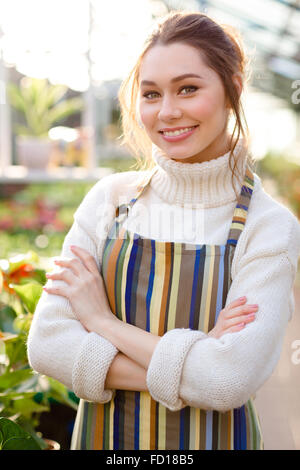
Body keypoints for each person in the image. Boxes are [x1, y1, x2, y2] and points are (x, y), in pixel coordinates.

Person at [27, 11, 300, 450]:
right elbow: (47, 345)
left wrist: (101, 322)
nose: (167, 112)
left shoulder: (268, 227)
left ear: (233, 88)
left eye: (188, 88)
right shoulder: (109, 201)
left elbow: (229, 381)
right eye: (151, 94)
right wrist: (199, 356)